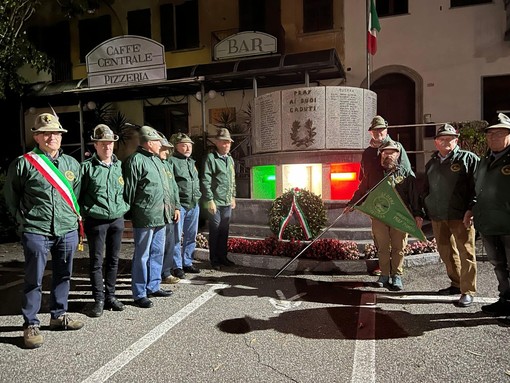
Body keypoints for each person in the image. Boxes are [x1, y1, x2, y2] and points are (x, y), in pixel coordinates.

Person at [5, 112, 84, 349]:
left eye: (56, 133)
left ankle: (59, 315)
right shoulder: (24, 163)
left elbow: (75, 194)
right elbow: (11, 196)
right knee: (34, 279)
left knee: (63, 275)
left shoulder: (71, 164)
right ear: (37, 137)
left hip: (67, 229)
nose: (52, 137)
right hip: (36, 229)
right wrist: (23, 222)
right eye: (46, 133)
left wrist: (70, 217)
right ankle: (30, 323)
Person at [345, 115, 414, 276]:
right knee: (380, 239)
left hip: (395, 202)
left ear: (386, 130)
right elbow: (363, 177)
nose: (378, 133)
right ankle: (383, 269)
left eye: (381, 130)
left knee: (397, 241)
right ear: (371, 133)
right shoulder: (368, 153)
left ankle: (395, 273)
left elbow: (406, 172)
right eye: (375, 131)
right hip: (376, 203)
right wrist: (357, 200)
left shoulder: (397, 147)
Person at [350, 139, 422, 290]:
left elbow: (414, 196)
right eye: (385, 152)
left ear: (398, 155)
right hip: (380, 216)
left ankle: (396, 275)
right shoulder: (373, 173)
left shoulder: (406, 173)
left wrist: (417, 214)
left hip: (400, 216)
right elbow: (361, 190)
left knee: (398, 247)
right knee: (382, 247)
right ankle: (384, 275)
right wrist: (351, 203)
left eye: (392, 153)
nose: (389, 155)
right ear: (381, 155)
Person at [422, 123, 479, 307]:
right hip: (438, 215)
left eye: (449, 138)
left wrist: (472, 209)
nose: (445, 142)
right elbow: (426, 189)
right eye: (442, 139)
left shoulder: (468, 159)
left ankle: (468, 290)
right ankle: (456, 283)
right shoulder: (432, 163)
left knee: (466, 252)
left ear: (456, 140)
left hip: (460, 215)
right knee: (445, 251)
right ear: (436, 142)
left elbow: (478, 187)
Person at [122, 125, 178, 308]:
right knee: (142, 255)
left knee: (157, 252)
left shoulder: (158, 161)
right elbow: (129, 190)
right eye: (157, 142)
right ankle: (139, 293)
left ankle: (153, 285)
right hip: (145, 215)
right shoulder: (135, 160)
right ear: (148, 143)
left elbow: (167, 188)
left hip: (161, 215)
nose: (160, 144)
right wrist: (131, 213)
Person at [80, 124, 130, 317]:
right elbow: (78, 194)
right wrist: (86, 212)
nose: (107, 147)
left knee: (114, 260)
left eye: (110, 143)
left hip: (117, 219)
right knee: (96, 261)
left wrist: (123, 208)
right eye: (103, 144)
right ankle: (99, 300)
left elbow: (125, 191)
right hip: (97, 221)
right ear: (95, 145)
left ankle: (110, 296)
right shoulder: (87, 168)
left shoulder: (119, 166)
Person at [473, 113, 510, 317]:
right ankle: (505, 299)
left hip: (508, 223)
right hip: (489, 223)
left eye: (499, 133)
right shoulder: (485, 160)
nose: (493, 138)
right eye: (490, 134)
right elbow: (478, 189)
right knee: (498, 265)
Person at [201, 128, 237, 270]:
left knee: (224, 230)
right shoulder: (211, 158)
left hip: (227, 201)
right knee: (215, 231)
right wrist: (210, 200)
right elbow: (205, 180)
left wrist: (233, 196)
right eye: (224, 142)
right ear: (217, 143)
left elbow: (232, 180)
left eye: (228, 142)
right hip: (215, 202)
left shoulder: (230, 159)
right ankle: (214, 260)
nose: (227, 145)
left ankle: (223, 257)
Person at [168, 133, 202, 279]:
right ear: (176, 146)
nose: (188, 147)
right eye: (184, 145)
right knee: (176, 237)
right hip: (180, 204)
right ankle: (177, 266)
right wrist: (175, 205)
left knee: (191, 236)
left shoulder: (191, 162)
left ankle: (187, 262)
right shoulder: (172, 162)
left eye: (190, 145)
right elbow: (171, 185)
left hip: (194, 204)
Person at [156, 132, 181, 285]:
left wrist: (177, 207)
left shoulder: (168, 164)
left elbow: (174, 188)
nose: (166, 152)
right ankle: (155, 274)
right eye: (164, 149)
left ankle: (166, 272)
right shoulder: (153, 163)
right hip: (157, 212)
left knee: (169, 243)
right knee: (157, 247)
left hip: (170, 211)